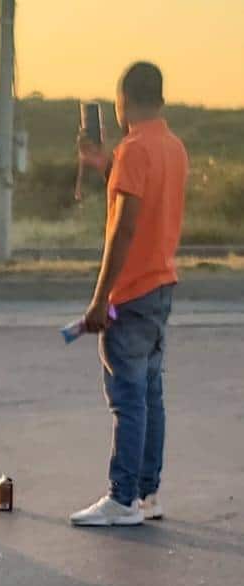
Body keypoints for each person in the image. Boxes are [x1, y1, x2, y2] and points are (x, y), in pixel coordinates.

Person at [71, 62, 189, 526]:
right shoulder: (172, 148)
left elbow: (123, 227)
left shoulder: (134, 149)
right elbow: (142, 197)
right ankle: (146, 494)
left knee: (128, 399)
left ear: (122, 102)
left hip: (133, 292)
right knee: (150, 394)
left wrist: (101, 299)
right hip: (161, 285)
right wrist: (105, 167)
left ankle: (121, 499)